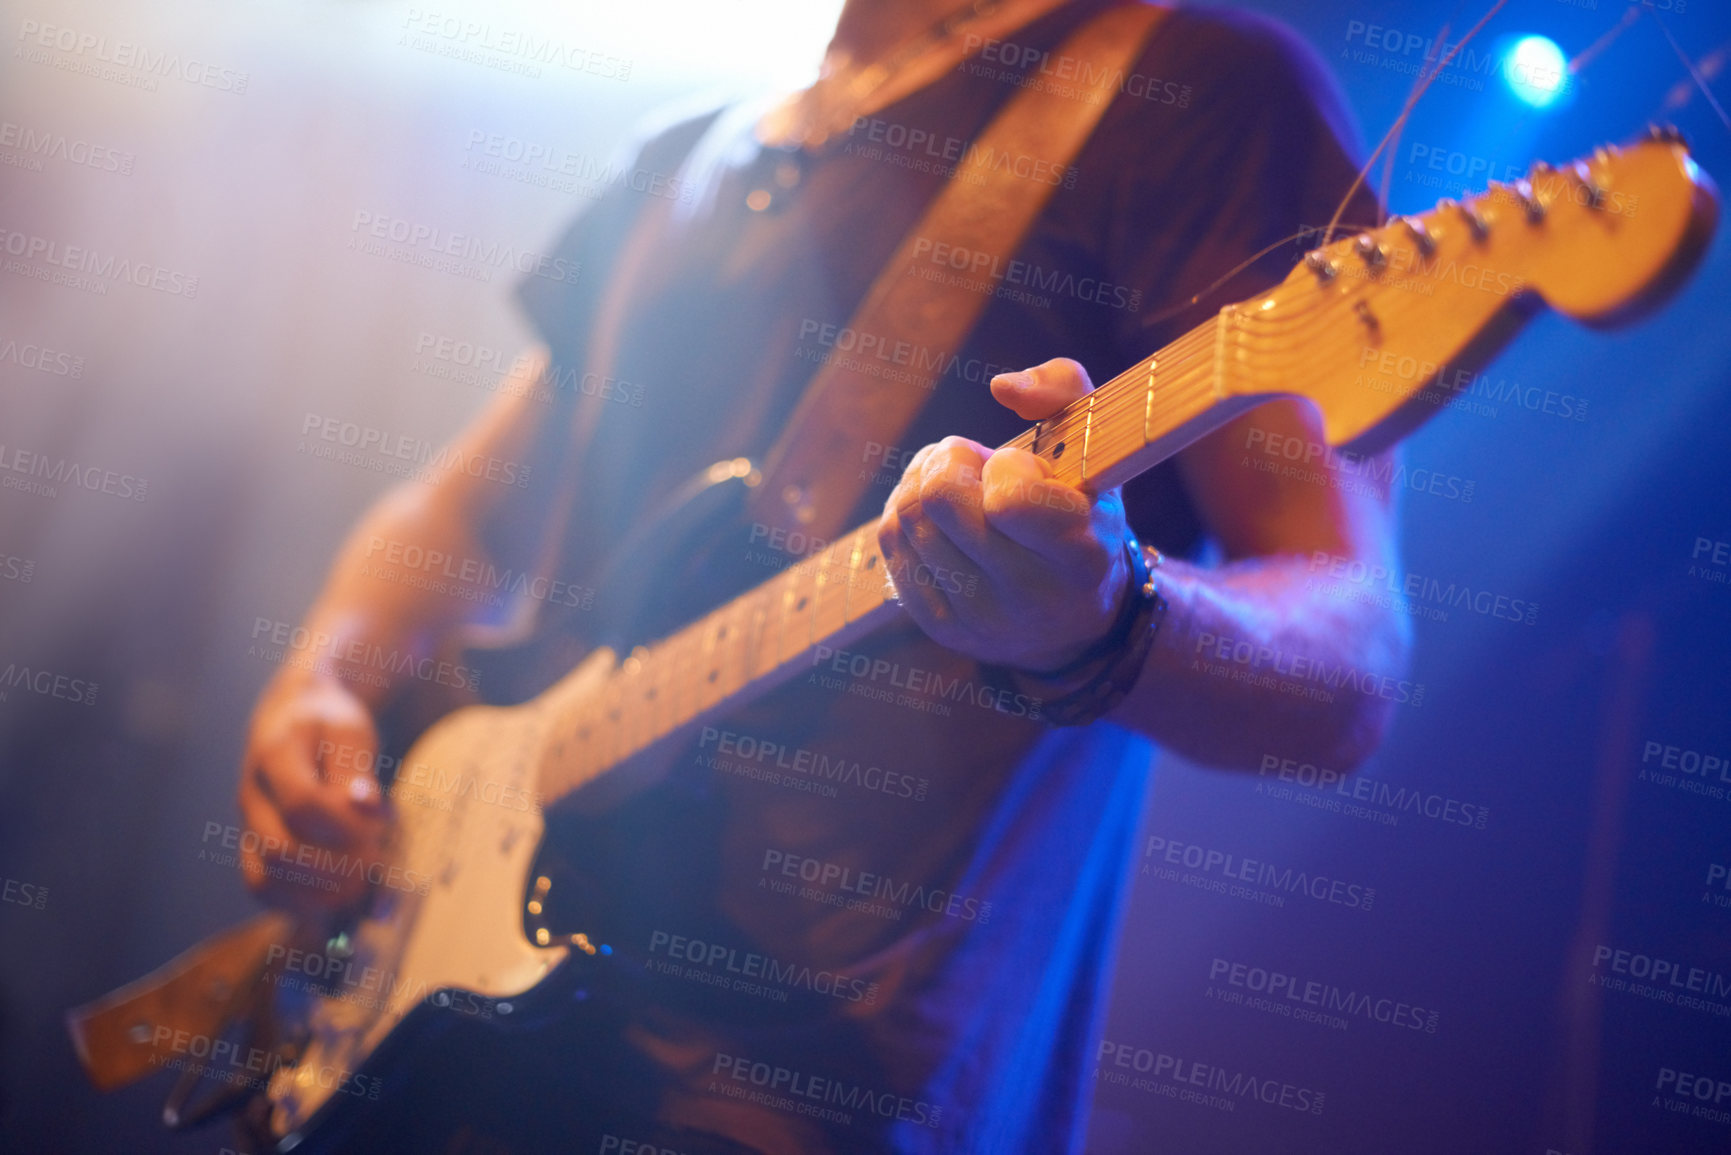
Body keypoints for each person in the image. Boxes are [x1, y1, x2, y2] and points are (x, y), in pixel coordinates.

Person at [235, 0, 1408, 1150]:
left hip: (807, 1088)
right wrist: (324, 678)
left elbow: (1351, 656)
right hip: (460, 1040)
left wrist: (1105, 617)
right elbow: (462, 510)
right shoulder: (688, 149)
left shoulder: (1195, 87)